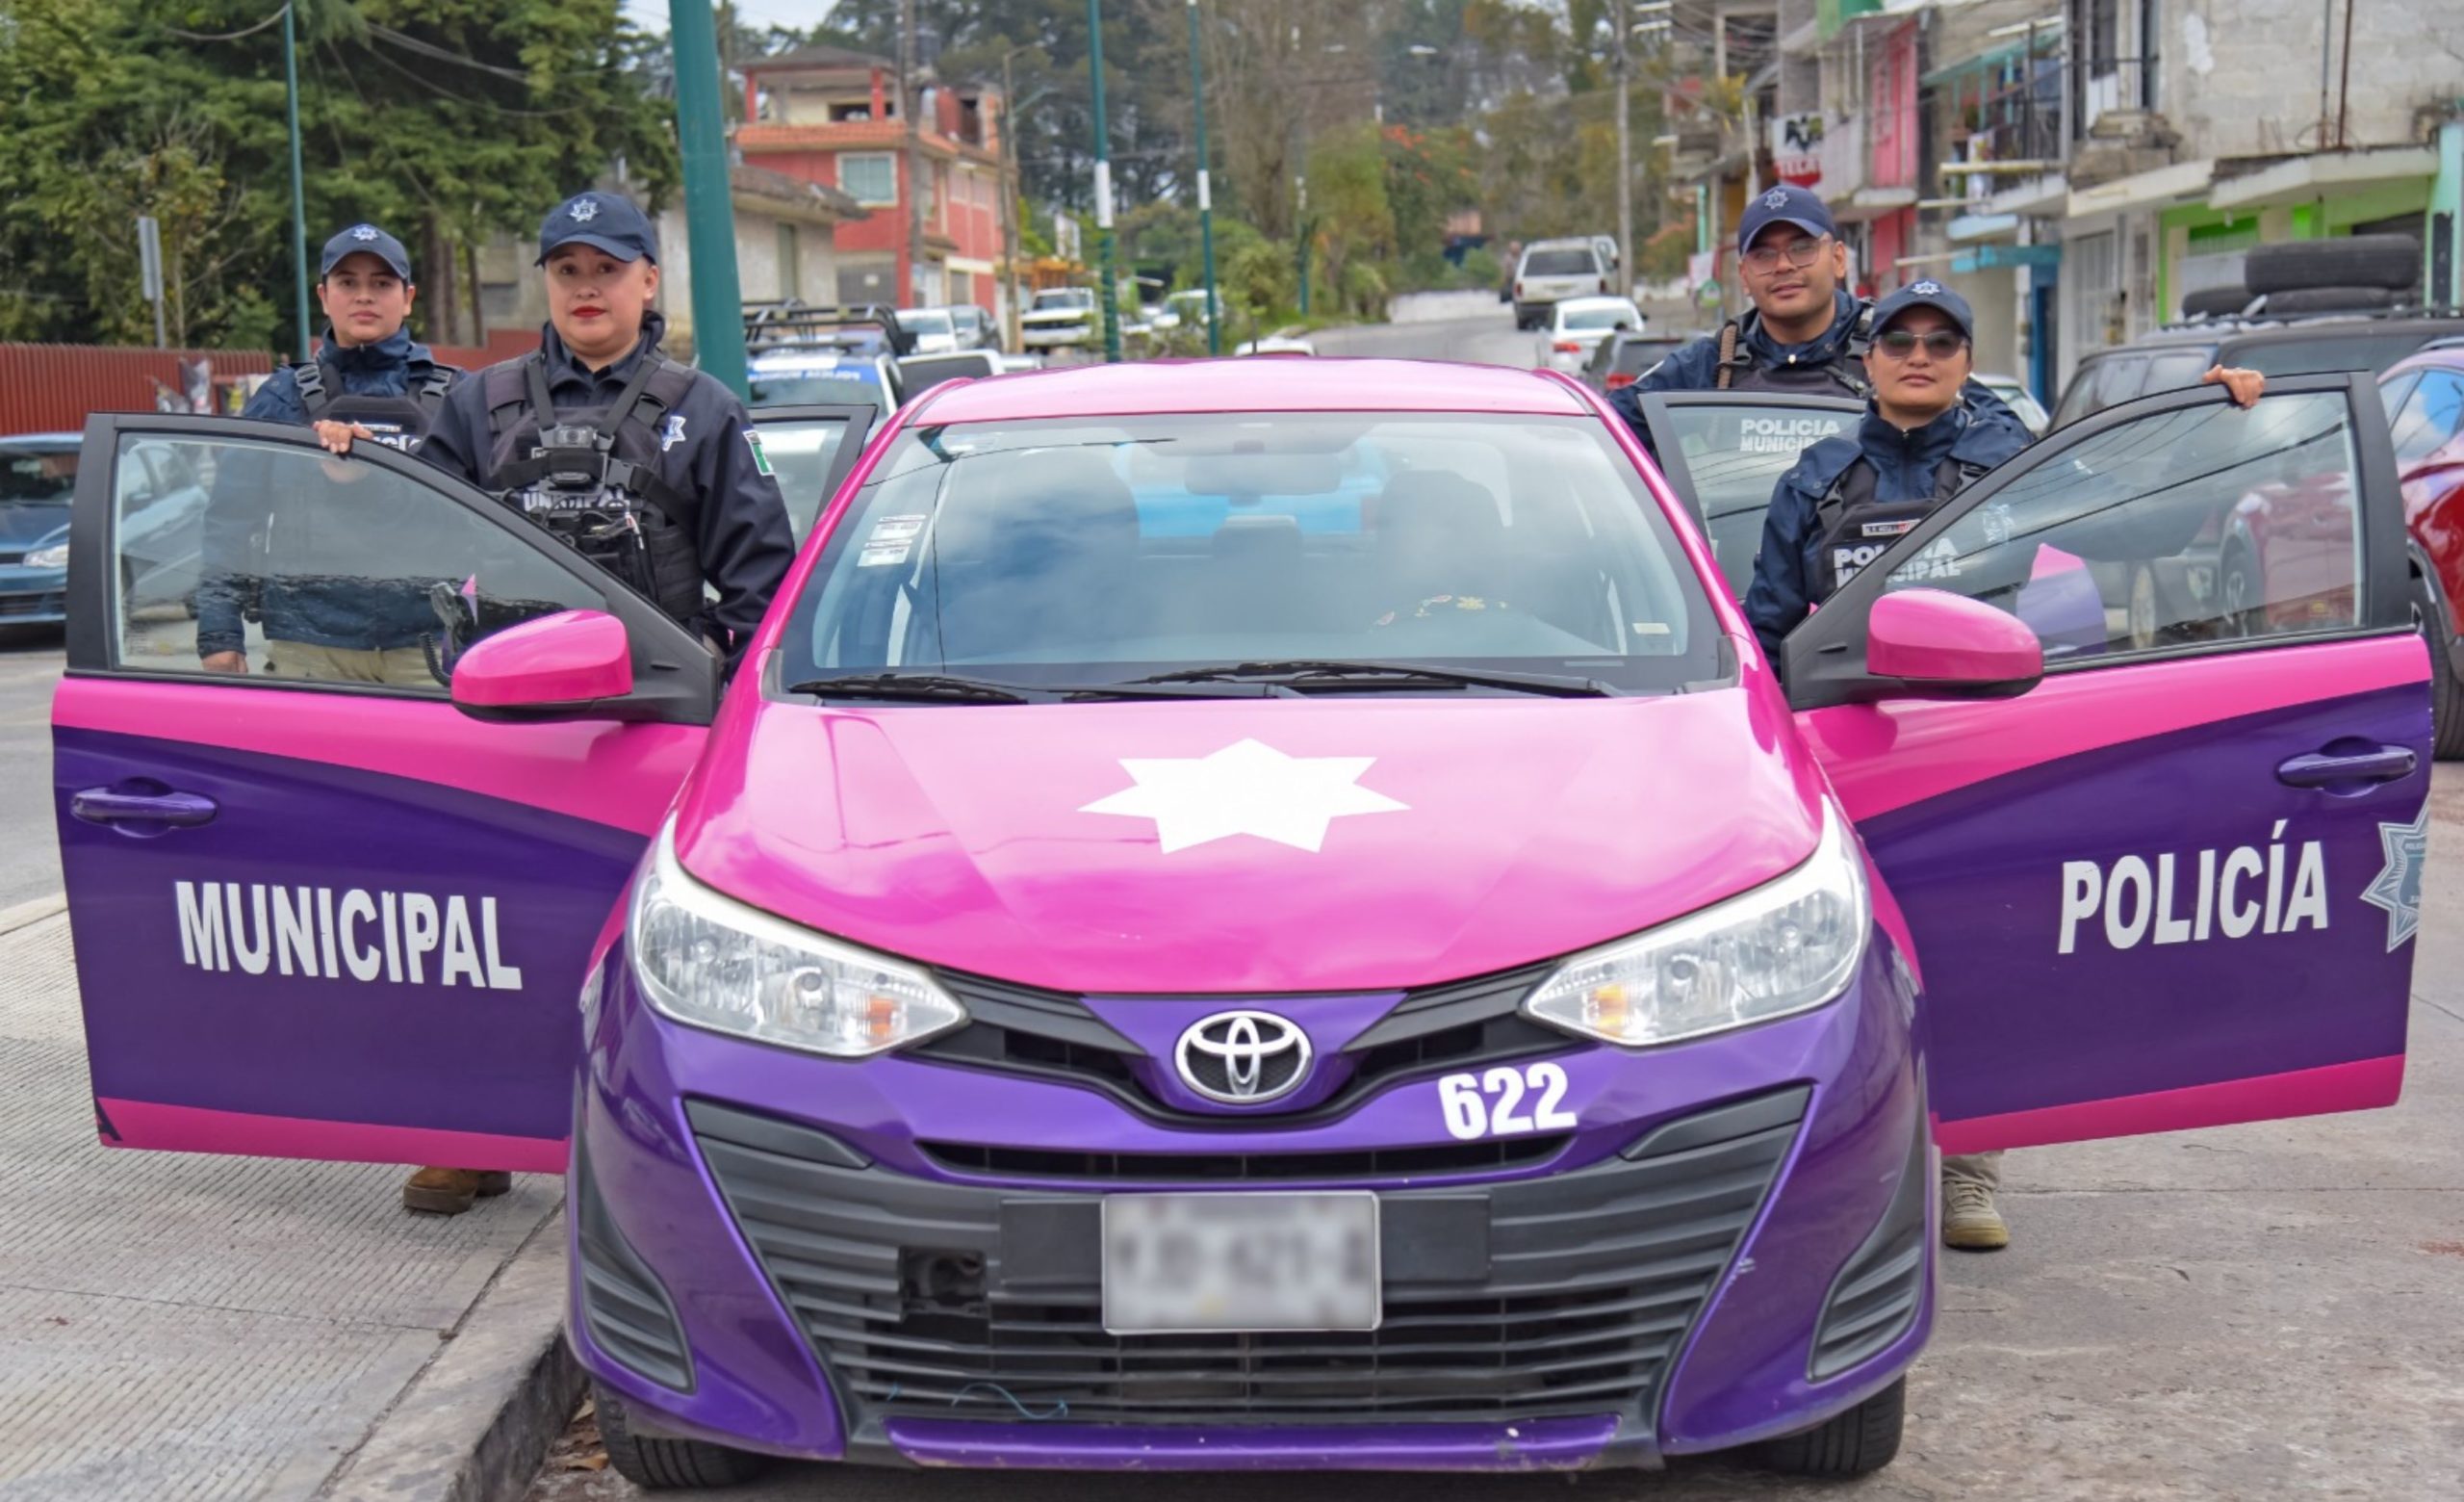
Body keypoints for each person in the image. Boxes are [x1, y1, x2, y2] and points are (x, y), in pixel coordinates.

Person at [1744, 280, 2264, 1251]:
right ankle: (1834, 1183)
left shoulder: (2008, 465)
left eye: (1943, 340)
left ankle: (1971, 1175)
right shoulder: (1817, 477)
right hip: (1844, 757)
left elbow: (2137, 528)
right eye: (1900, 337)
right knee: (1837, 968)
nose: (1920, 352)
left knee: (1980, 960)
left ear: (1964, 360)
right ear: (1870, 358)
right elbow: (1766, 625)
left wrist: (2217, 431)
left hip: (1978, 753)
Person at [407, 190, 796, 670]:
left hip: (659, 701)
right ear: (547, 280)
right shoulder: (476, 402)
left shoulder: (706, 409)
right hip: (503, 695)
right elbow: (418, 545)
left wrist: (718, 680)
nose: (585, 288)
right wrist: (354, 461)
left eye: (607, 269)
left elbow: (761, 584)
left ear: (649, 280)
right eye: (567, 270)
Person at [194, 223, 460, 684]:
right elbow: (231, 522)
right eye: (347, 282)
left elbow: (487, 525)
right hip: (310, 648)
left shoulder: (458, 396)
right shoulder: (280, 398)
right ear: (323, 295)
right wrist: (218, 635)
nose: (364, 296)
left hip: (428, 646)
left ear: (408, 296)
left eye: (381, 283)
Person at [1606, 185, 2032, 448]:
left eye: (1802, 247)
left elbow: (2011, 444)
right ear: (1743, 275)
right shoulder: (1713, 364)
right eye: (1764, 254)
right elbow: (1607, 434)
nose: (1784, 266)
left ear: (1839, 258)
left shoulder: (1892, 344)